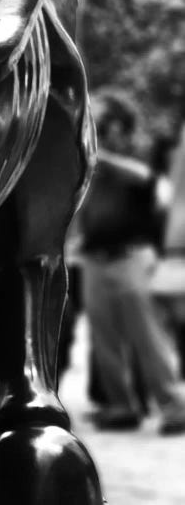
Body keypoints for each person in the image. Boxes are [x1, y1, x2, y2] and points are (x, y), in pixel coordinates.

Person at [78, 89, 185, 433]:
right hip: (95, 260)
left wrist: (102, 157)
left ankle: (173, 408)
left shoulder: (141, 154)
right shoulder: (87, 163)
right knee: (104, 341)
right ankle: (121, 407)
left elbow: (156, 186)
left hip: (133, 258)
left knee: (149, 339)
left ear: (120, 127)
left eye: (103, 121)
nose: (95, 125)